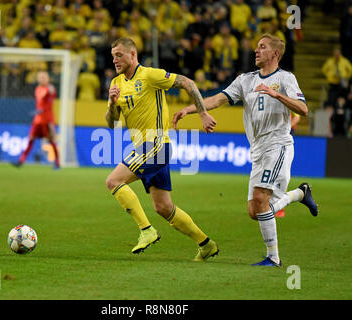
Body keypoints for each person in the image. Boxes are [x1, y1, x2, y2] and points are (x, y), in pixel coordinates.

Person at [172, 34, 319, 267]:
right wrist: (190, 110)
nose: (256, 51)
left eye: (262, 47)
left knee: (261, 199)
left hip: (278, 145)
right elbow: (218, 99)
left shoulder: (285, 78)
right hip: (258, 150)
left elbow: (303, 108)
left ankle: (274, 258)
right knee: (255, 210)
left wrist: (277, 94)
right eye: (256, 47)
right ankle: (300, 193)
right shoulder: (245, 80)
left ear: (275, 54)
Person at [105, 37, 218, 261]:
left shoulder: (150, 75)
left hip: (156, 145)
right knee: (164, 207)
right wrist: (111, 104)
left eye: (119, 55)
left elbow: (188, 83)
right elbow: (112, 123)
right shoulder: (116, 83)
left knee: (113, 181)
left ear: (133, 54)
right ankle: (206, 244)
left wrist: (203, 113)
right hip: (143, 148)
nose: (115, 60)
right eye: (113, 56)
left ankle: (147, 231)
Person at [13, 71, 60, 169]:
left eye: (44, 77)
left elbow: (49, 101)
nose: (42, 79)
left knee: (52, 141)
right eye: (40, 77)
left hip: (47, 120)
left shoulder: (50, 89)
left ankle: (57, 163)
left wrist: (43, 112)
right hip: (38, 120)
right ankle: (21, 160)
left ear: (48, 79)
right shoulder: (38, 89)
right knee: (30, 139)